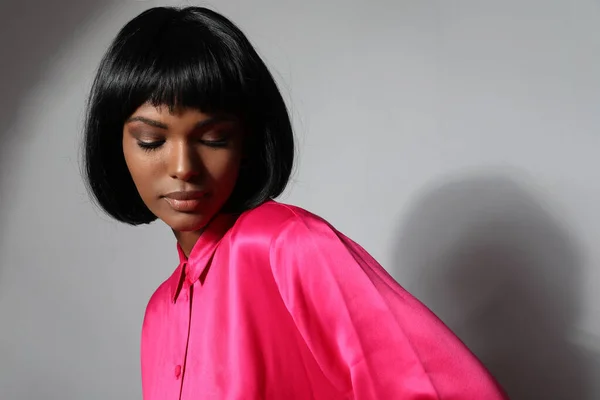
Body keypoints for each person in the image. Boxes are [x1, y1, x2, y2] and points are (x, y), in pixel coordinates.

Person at [83, 6, 508, 400]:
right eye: (152, 141)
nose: (183, 167)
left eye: (214, 138)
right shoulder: (159, 313)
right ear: (116, 146)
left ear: (246, 142)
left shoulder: (286, 246)